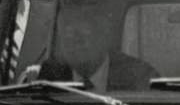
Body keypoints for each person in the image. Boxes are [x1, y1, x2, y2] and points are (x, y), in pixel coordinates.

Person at [21, 10, 159, 92]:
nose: (74, 45)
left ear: (104, 37)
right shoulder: (46, 78)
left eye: (82, 36)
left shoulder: (139, 76)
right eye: (67, 36)